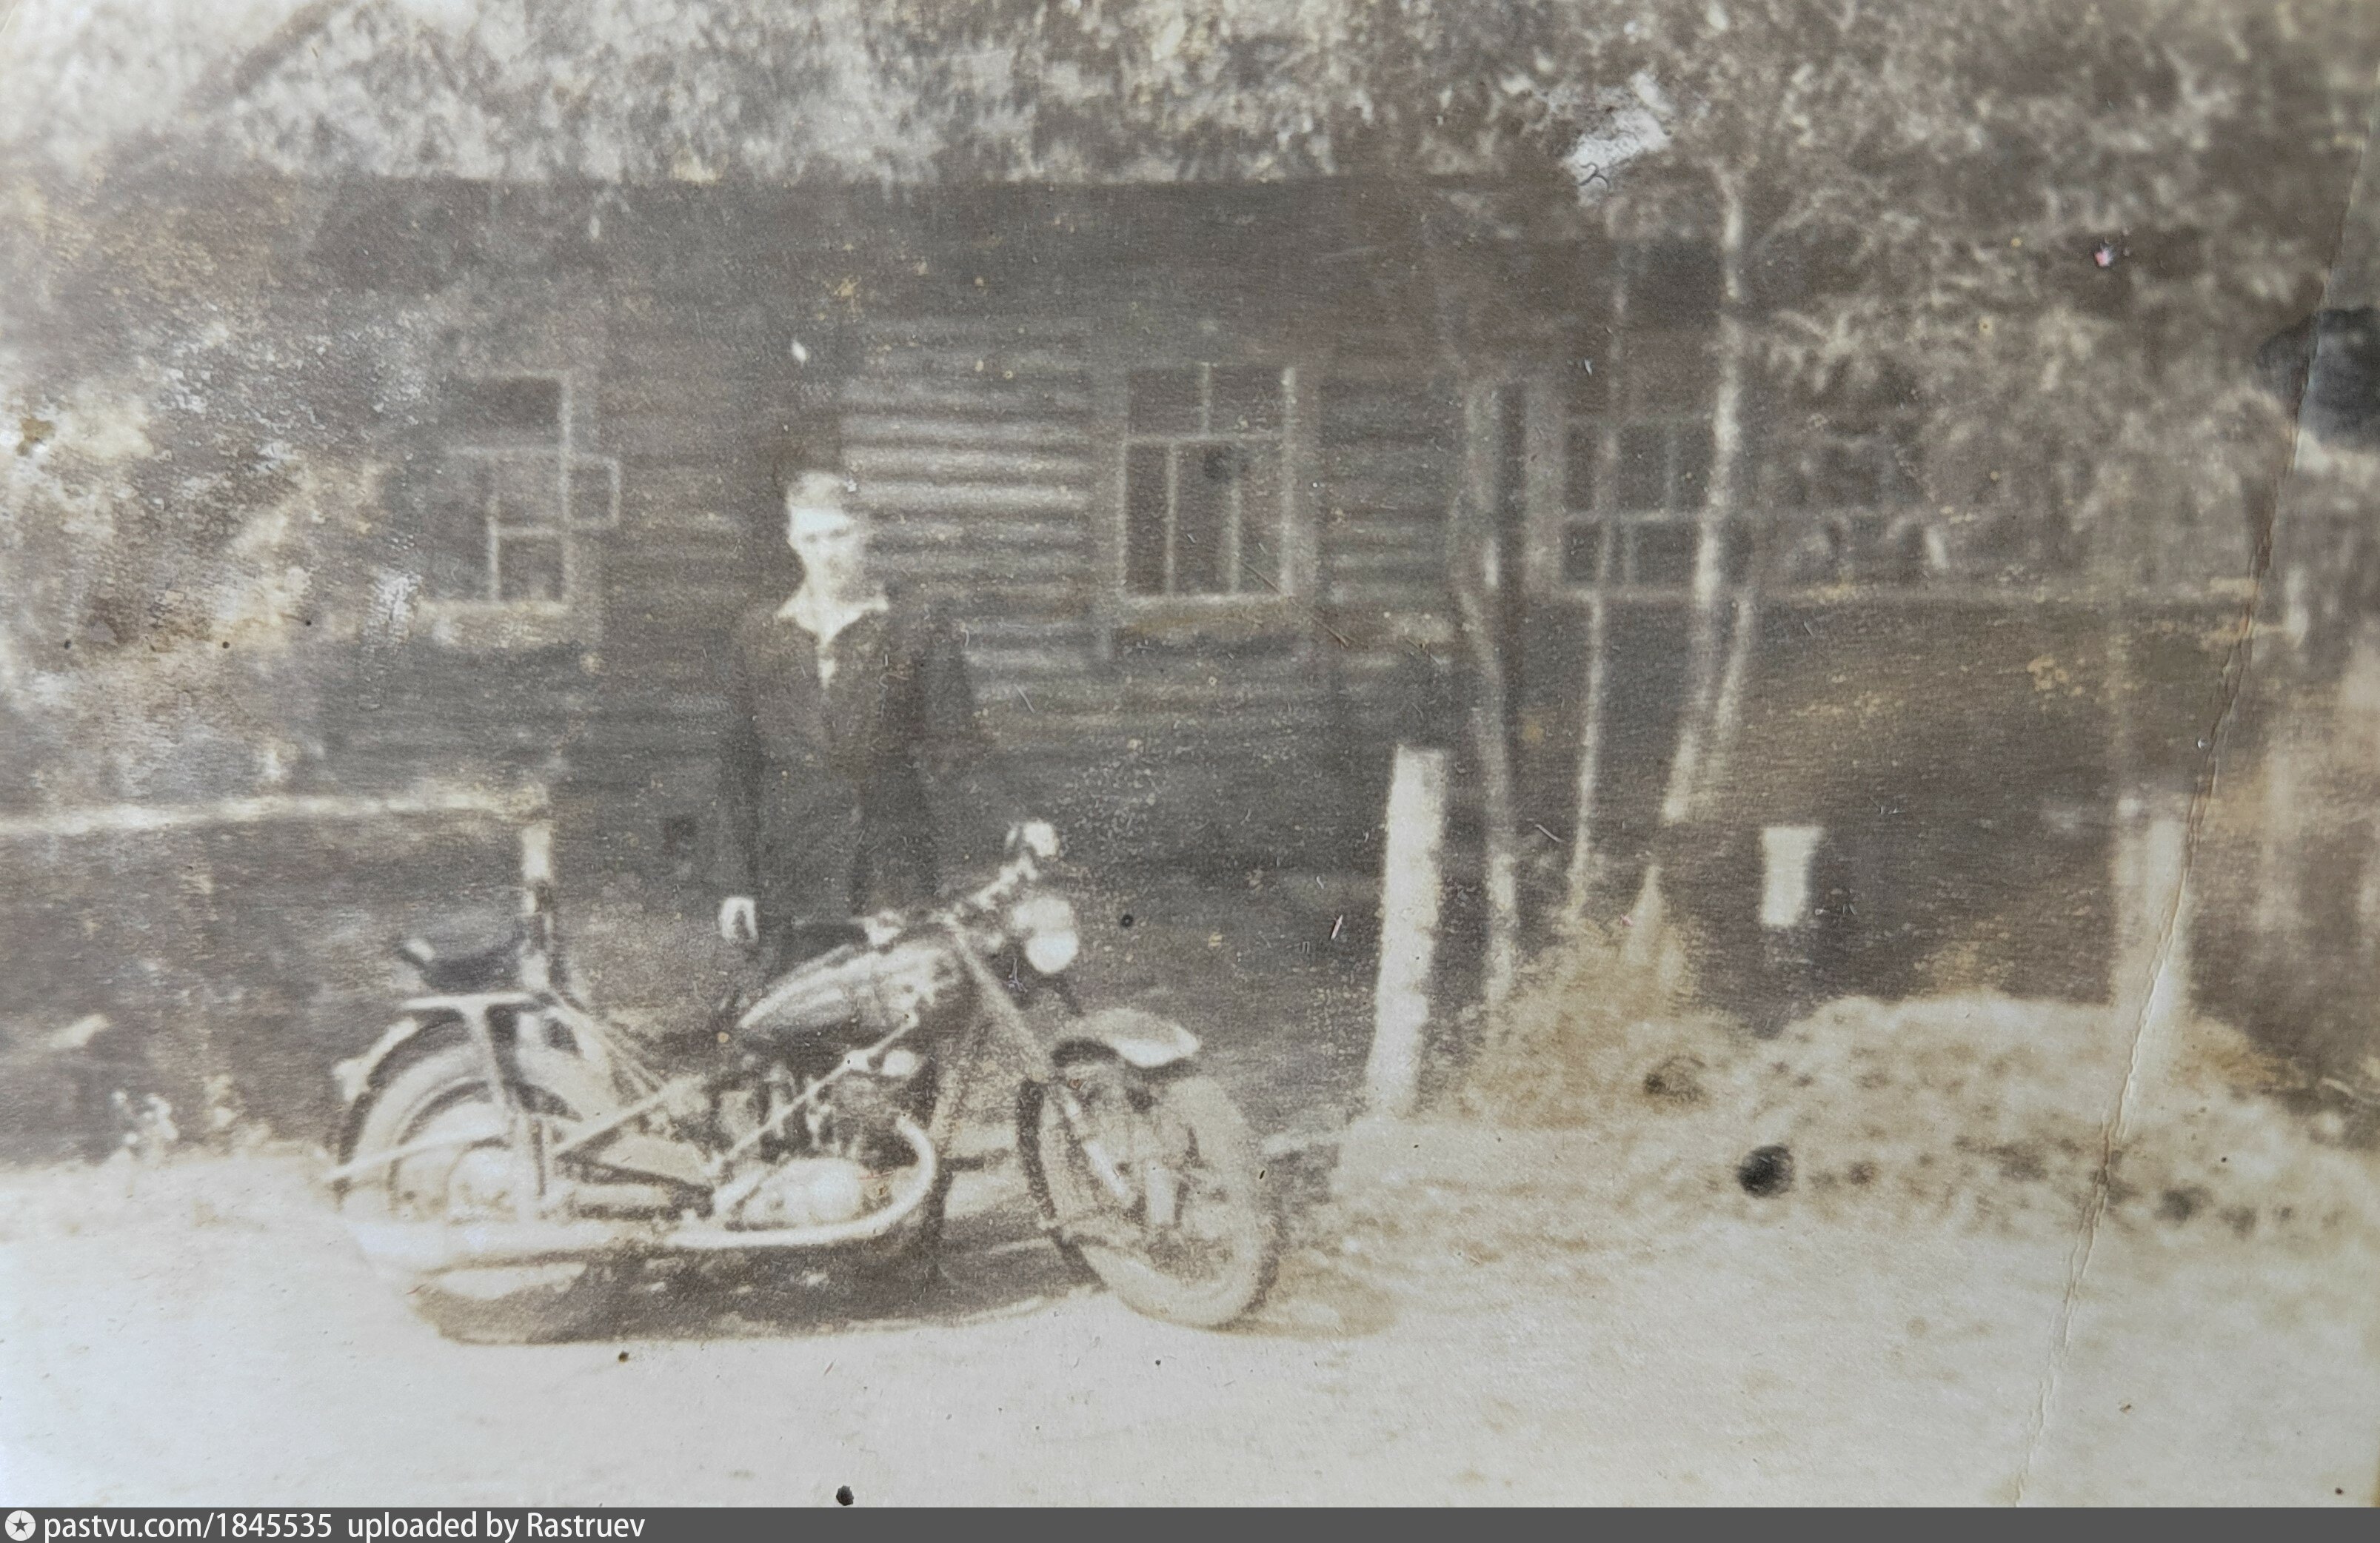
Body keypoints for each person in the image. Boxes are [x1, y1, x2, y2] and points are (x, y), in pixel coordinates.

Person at [712, 469, 1035, 968]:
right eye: (812, 539)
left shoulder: (914, 626)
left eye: (839, 535)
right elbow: (739, 765)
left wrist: (1014, 823)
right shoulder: (761, 634)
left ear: (866, 531)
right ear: (792, 540)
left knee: (906, 1002)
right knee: (801, 1008)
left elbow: (958, 748)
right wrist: (737, 883)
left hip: (892, 868)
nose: (827, 553)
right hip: (794, 871)